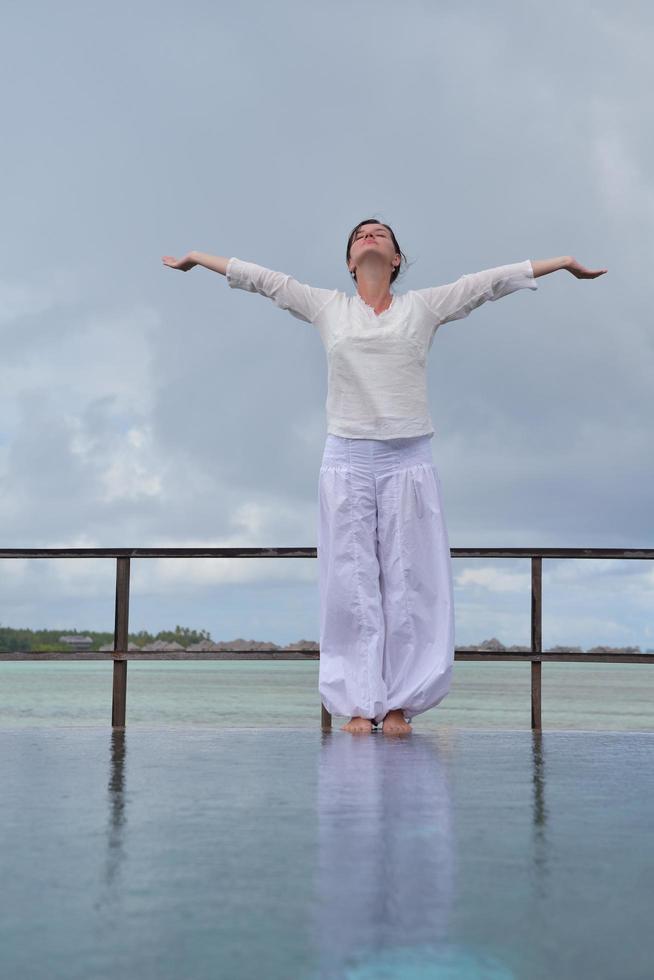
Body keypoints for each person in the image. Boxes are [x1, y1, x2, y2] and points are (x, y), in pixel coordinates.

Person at [162, 220, 607, 736]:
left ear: (397, 258)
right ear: (351, 262)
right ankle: (358, 702)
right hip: (346, 458)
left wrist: (561, 264)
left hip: (408, 458)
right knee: (350, 584)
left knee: (412, 582)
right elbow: (265, 280)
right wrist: (198, 256)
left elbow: (486, 283)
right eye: (359, 235)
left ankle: (399, 704)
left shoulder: (423, 307)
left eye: (380, 233)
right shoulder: (328, 307)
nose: (369, 236)